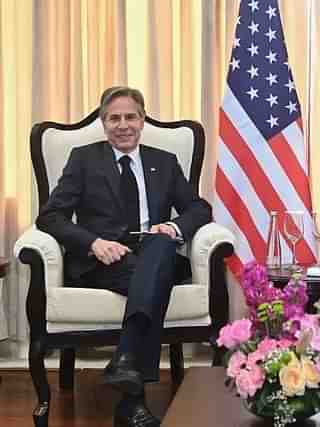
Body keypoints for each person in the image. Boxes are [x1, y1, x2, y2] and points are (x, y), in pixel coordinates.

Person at [36, 86, 212, 427]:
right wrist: (93, 243)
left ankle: (125, 363)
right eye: (114, 118)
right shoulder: (83, 158)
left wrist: (173, 228)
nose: (123, 125)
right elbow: (50, 216)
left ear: (142, 120)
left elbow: (198, 208)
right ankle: (132, 403)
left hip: (155, 252)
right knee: (155, 278)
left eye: (130, 116)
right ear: (104, 124)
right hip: (104, 261)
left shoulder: (164, 161)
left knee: (160, 247)